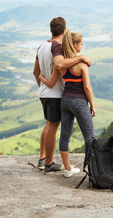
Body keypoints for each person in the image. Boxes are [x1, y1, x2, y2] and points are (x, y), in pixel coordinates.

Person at [33, 17, 91, 173]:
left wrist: (42, 87)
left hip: (44, 93)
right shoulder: (56, 47)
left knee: (48, 125)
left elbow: (35, 72)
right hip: (55, 93)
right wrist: (80, 58)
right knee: (53, 127)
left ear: (51, 30)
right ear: (64, 31)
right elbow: (59, 64)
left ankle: (43, 158)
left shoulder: (41, 46)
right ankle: (49, 163)